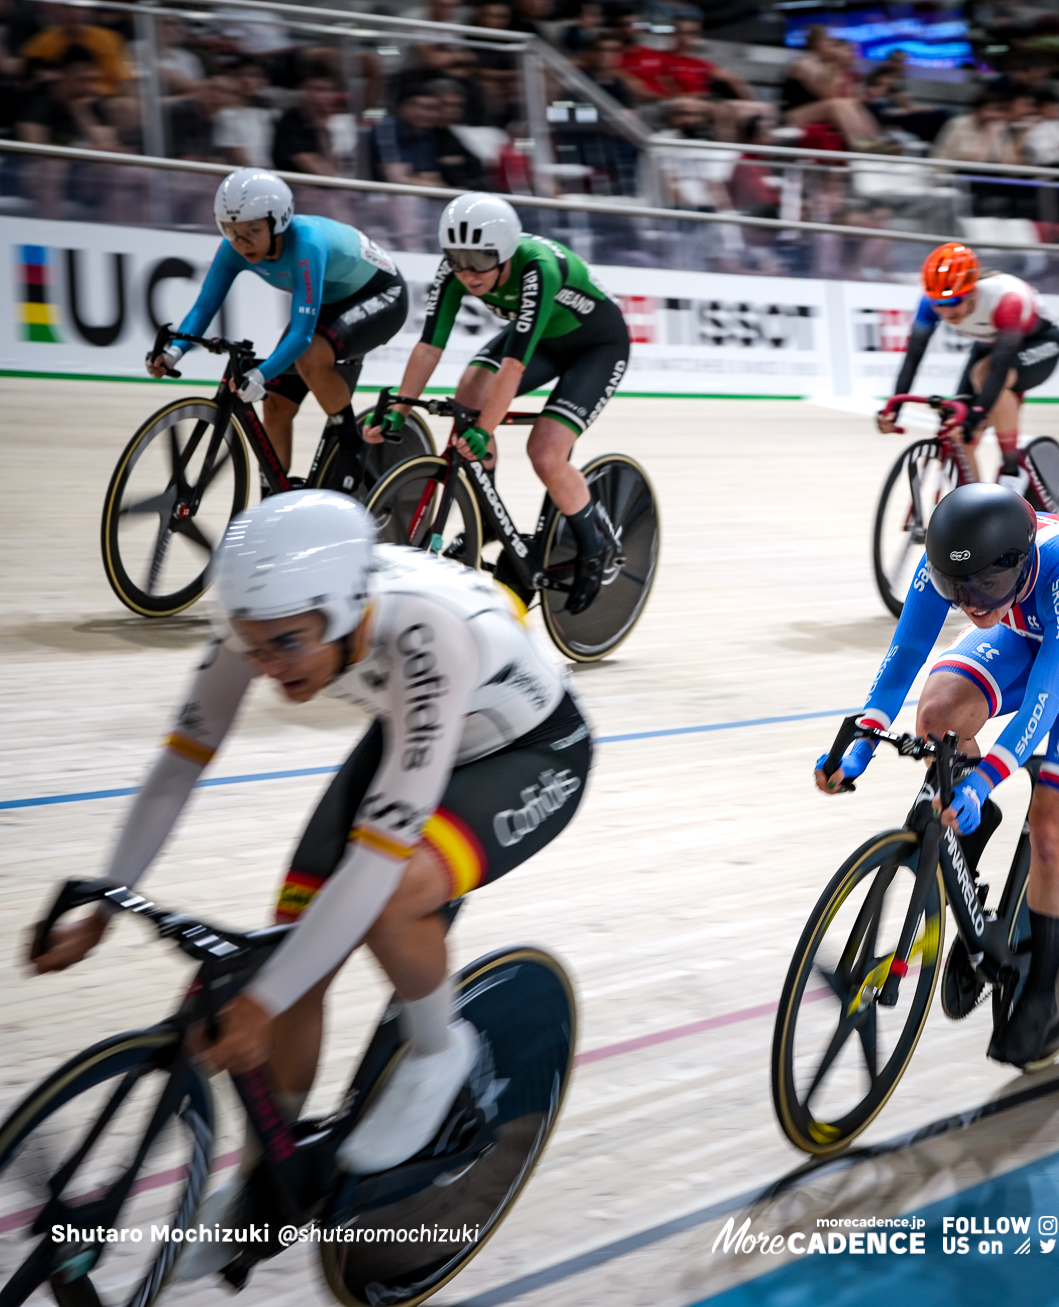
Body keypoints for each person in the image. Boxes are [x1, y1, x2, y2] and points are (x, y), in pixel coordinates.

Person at [27, 490, 591, 1276]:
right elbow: (180, 763)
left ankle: (439, 1050)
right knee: (290, 947)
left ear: (346, 607)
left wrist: (256, 1009)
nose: (267, 666)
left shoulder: (430, 636)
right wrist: (106, 898)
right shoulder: (260, 616)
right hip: (414, 733)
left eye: (287, 645)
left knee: (384, 900)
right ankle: (274, 1178)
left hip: (527, 754)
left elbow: (377, 862)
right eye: (253, 648)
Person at [813, 484, 1059, 1067]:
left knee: (1052, 832)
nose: (972, 604)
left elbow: (1044, 702)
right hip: (1029, 630)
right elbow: (905, 653)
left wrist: (985, 778)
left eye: (985, 588)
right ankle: (967, 876)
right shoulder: (960, 565)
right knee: (937, 716)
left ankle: (1043, 989)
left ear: (1018, 563)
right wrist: (865, 734)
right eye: (957, 590)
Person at [377, 193, 630, 615]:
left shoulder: (537, 268)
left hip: (596, 348)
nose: (467, 272)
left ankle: (592, 549)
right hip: (545, 339)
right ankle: (489, 516)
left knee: (545, 452)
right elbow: (428, 347)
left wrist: (483, 431)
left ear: (506, 251)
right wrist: (400, 409)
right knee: (470, 389)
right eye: (457, 259)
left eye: (478, 260)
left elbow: (513, 367)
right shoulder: (455, 273)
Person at [146, 169, 408, 490]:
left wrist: (260, 375)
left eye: (253, 231)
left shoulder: (306, 243)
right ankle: (274, 496)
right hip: (330, 300)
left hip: (381, 294)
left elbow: (301, 335)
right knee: (275, 405)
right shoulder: (232, 249)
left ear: (279, 221)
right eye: (231, 231)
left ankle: (352, 447)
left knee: (309, 357)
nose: (242, 243)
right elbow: (204, 307)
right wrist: (174, 352)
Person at [878, 243, 1059, 496]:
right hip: (990, 346)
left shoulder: (1006, 299)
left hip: (1041, 344)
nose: (945, 311)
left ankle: (1012, 468)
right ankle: (975, 509)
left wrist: (977, 415)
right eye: (937, 303)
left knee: (984, 377)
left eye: (953, 301)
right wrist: (894, 408)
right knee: (959, 434)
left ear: (971, 291)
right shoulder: (930, 303)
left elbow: (999, 369)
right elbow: (912, 358)